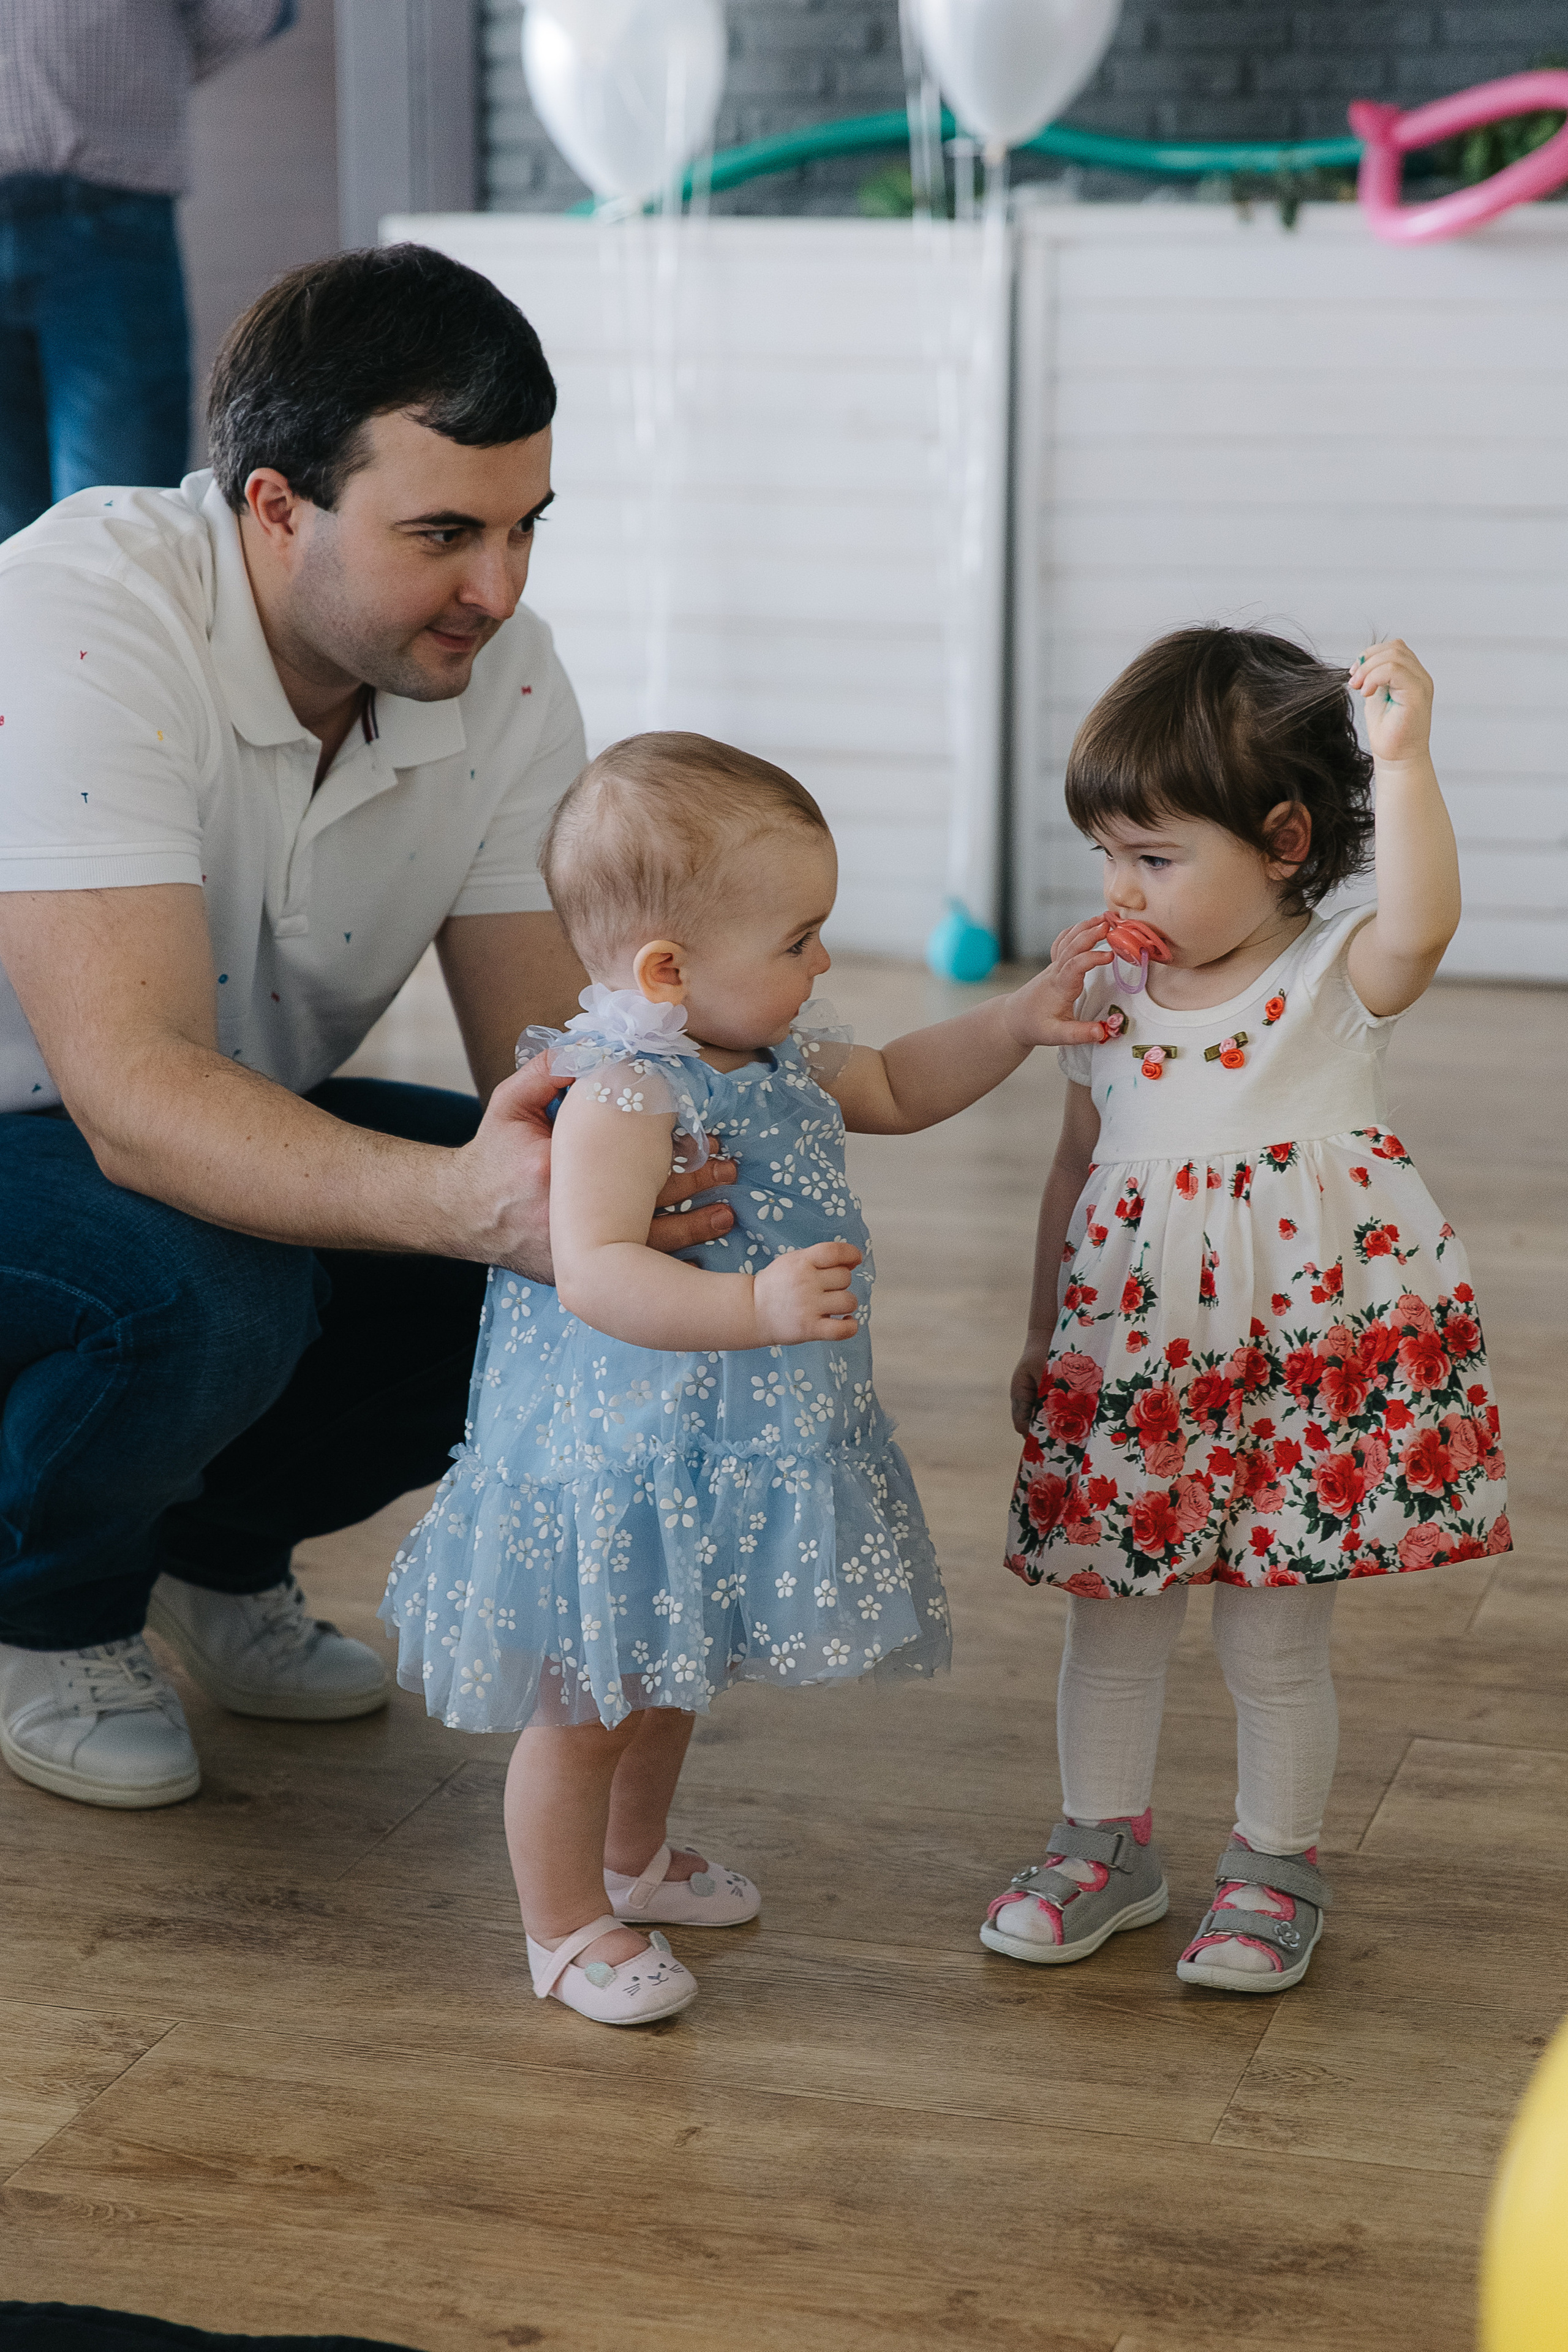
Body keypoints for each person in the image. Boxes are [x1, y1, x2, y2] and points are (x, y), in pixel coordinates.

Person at [0, 244, 738, 1812]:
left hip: (174, 1117)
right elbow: (130, 1098)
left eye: (526, 524)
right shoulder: (80, 613)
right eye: (443, 534)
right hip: (36, 1125)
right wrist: (467, 1201)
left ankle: (209, 1557)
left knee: (564, 1254)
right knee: (216, 1291)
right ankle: (46, 1611)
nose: (501, 586)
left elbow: (552, 1045)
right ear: (275, 505)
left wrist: (666, 1183)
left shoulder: (498, 674)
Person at [379, 731, 1112, 2025]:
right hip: (617, 1450)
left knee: (674, 1668)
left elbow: (891, 1083)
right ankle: (561, 1928)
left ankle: (635, 1861)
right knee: (587, 1700)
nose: (820, 963)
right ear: (667, 969)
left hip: (720, 1436)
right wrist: (751, 1302)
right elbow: (596, 1267)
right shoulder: (620, 1088)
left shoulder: (767, 1046)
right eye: (797, 940)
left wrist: (1012, 1020)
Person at [983, 630, 1508, 1994]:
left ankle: (1274, 1862)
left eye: (1152, 858)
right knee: (1109, 1619)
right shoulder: (1102, 991)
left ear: (1282, 839)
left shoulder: (1331, 979)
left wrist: (1400, 761)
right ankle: (1104, 1845)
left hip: (1294, 1368)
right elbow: (1071, 1166)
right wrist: (1046, 1337)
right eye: (1104, 854)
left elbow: (1425, 919)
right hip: (1137, 1359)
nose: (1118, 888)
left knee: (1272, 1637)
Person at [0, 0, 299, 541]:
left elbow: (249, 10)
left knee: (117, 522)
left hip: (105, 211)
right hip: (107, 203)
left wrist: (145, 65)